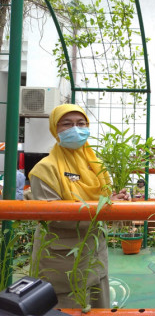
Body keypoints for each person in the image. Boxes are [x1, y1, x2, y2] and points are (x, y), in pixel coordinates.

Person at [29, 104, 129, 309]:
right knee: (64, 309)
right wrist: (105, 209)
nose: (75, 129)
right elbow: (54, 216)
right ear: (55, 129)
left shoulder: (97, 166)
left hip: (95, 256)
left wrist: (116, 201)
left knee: (98, 307)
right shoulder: (44, 169)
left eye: (81, 123)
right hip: (60, 261)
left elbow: (107, 201)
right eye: (67, 124)